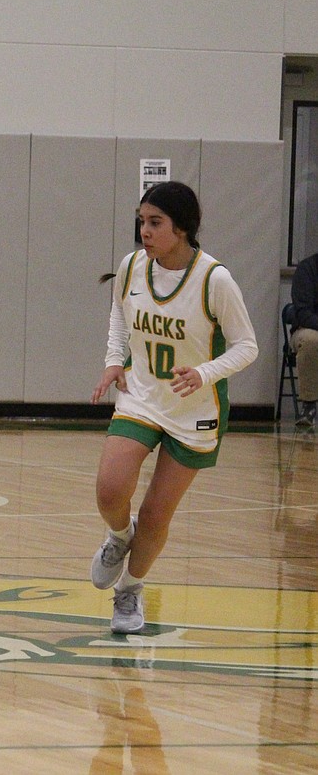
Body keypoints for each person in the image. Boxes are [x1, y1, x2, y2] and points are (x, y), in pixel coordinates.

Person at [90, 181, 257, 634]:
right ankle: (118, 537)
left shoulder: (214, 279)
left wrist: (204, 373)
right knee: (109, 491)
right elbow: (120, 315)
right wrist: (112, 362)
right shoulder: (131, 268)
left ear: (181, 228)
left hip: (194, 409)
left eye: (154, 222)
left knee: (158, 515)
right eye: (141, 221)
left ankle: (130, 591)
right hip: (142, 394)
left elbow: (247, 347)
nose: (143, 230)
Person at [289, 251, 318, 426]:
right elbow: (303, 313)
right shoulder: (307, 268)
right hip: (308, 328)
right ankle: (309, 406)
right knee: (312, 341)